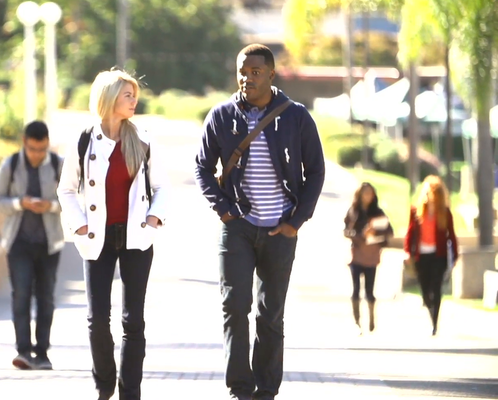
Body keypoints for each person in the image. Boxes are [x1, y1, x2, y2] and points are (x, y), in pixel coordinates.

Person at [194, 44, 325, 400]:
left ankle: (266, 390)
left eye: (255, 72)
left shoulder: (297, 117)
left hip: (280, 230)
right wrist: (223, 209)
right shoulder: (221, 116)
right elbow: (202, 168)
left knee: (270, 314)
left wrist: (296, 222)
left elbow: (315, 172)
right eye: (242, 71)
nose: (246, 78)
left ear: (270, 74)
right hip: (237, 228)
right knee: (234, 306)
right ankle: (240, 389)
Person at [57, 69, 169, 400]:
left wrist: (152, 220)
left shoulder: (144, 139)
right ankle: (105, 385)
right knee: (97, 320)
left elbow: (162, 188)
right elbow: (65, 190)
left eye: (135, 95)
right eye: (127, 95)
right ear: (108, 98)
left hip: (136, 237)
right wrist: (78, 224)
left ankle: (130, 392)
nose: (134, 101)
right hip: (97, 239)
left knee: (133, 321)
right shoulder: (84, 140)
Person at [0, 120, 64, 370]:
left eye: (42, 149)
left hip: (49, 243)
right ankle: (23, 352)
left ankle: (42, 353)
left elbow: (75, 199)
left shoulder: (57, 165)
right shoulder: (10, 165)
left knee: (46, 298)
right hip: (18, 243)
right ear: (24, 143)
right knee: (21, 295)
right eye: (33, 149)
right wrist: (20, 203)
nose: (37, 154)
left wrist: (51, 206)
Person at [404, 175, 458, 336]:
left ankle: (435, 322)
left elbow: (451, 235)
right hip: (422, 255)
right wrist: (407, 251)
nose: (429, 195)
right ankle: (430, 308)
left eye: (433, 192)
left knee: (436, 287)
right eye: (427, 192)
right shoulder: (416, 210)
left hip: (438, 255)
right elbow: (410, 233)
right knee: (425, 289)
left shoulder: (445, 212)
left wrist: (455, 256)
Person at [343, 182, 394, 334]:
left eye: (370, 193)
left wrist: (375, 234)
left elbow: (389, 232)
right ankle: (357, 321)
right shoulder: (354, 212)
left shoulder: (378, 213)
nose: (367, 196)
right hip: (357, 255)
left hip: (372, 256)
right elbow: (346, 231)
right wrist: (360, 235)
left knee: (370, 291)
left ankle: (371, 318)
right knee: (356, 290)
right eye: (365, 193)